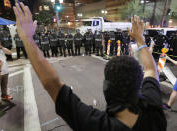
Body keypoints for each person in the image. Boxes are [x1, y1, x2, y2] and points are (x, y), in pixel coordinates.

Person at [13, 3, 167, 131]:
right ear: (139, 84)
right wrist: (140, 40)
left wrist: (27, 39)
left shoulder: (95, 125)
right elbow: (150, 69)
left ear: (106, 88)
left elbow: (51, 83)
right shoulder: (154, 112)